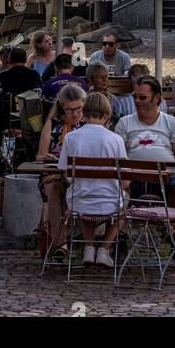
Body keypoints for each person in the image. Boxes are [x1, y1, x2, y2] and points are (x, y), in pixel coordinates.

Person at [115, 77, 175, 268]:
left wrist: (169, 171)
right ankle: (119, 242)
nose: (137, 101)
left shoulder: (171, 123)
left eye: (142, 97)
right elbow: (118, 157)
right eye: (135, 97)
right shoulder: (124, 123)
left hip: (165, 177)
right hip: (133, 177)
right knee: (120, 195)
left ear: (157, 99)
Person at [57, 90, 127, 268]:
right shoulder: (116, 140)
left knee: (82, 191)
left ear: (84, 113)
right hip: (110, 203)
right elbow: (124, 177)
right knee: (124, 205)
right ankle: (104, 249)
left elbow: (65, 172)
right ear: (106, 115)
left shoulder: (71, 138)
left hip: (79, 202)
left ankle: (89, 247)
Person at [36, 82, 87, 254]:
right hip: (54, 173)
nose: (76, 114)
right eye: (70, 110)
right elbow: (40, 156)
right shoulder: (53, 124)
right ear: (62, 106)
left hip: (81, 175)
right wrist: (49, 157)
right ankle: (61, 243)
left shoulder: (88, 125)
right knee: (53, 188)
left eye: (79, 108)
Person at [85, 60, 127, 124]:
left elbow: (118, 119)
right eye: (100, 77)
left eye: (106, 76)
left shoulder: (113, 99)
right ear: (91, 79)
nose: (104, 80)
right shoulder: (85, 98)